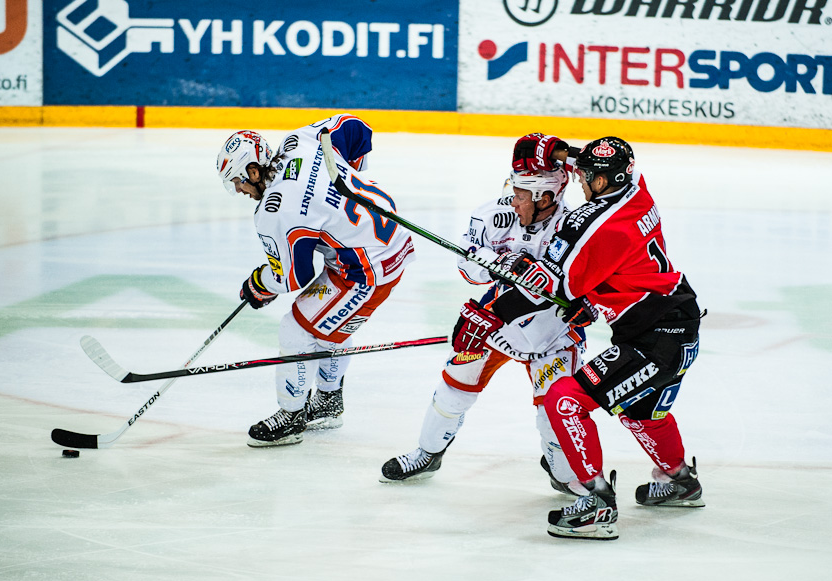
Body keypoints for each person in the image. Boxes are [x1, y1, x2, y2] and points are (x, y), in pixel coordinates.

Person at [498, 133, 704, 540]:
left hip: (655, 339)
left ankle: (596, 502)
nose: (579, 179)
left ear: (602, 181)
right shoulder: (637, 191)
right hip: (677, 321)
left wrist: (490, 316)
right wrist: (567, 153)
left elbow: (551, 286)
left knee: (564, 400)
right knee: (640, 410)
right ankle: (681, 481)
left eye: (586, 175)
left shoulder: (593, 225)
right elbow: (601, 172)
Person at [379, 167, 588, 497]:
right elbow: (468, 263)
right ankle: (428, 453)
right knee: (453, 387)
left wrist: (586, 299)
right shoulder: (495, 214)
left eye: (521, 195)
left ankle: (563, 469)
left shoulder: (575, 226)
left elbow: (587, 280)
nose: (513, 201)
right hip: (495, 320)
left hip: (553, 333)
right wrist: (501, 262)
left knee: (555, 413)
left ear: (545, 198)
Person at [216, 114, 415, 447]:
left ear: (253, 170)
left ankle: (291, 416)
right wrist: (346, 179)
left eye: (238, 181)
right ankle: (327, 402)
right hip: (387, 237)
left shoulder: (274, 210)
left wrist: (259, 284)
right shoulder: (300, 141)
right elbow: (354, 126)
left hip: (367, 268)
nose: (239, 190)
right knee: (324, 323)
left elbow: (295, 275)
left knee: (295, 328)